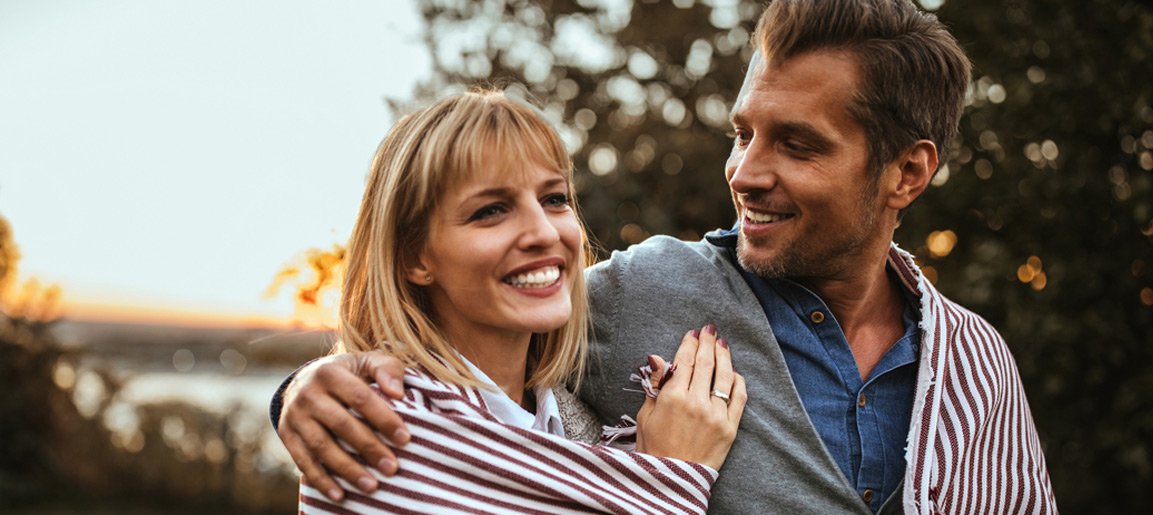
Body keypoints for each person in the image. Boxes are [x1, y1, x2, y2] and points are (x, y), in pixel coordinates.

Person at [273, 1, 1057, 513]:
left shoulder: (976, 367)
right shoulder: (641, 293)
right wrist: (306, 386)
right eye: (742, 131)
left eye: (796, 144)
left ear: (907, 172)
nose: (744, 172)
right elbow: (465, 332)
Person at [292, 90, 747, 514]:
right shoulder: (379, 429)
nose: (545, 233)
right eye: (491, 210)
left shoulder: (572, 419)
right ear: (415, 255)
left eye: (554, 199)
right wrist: (666, 480)